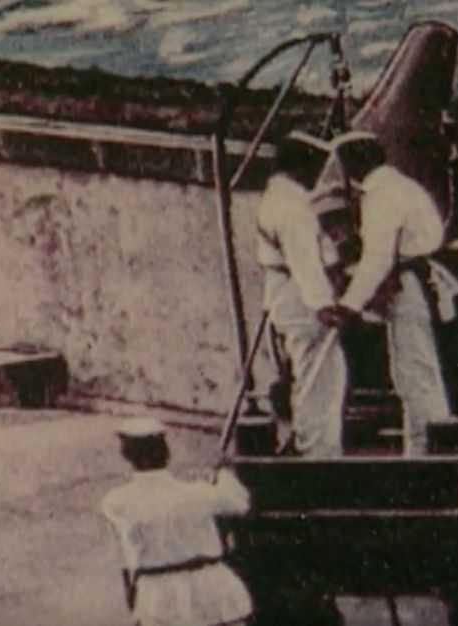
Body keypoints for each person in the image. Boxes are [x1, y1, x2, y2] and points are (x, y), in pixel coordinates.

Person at [319, 131, 452, 456]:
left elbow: (378, 259)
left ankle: (427, 452)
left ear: (356, 163)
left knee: (414, 373)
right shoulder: (402, 187)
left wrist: (349, 305)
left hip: (408, 288)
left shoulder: (383, 196)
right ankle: (422, 448)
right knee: (416, 371)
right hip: (416, 282)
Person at [100, 417, 253, 626]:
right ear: (166, 454)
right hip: (211, 590)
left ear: (126, 455)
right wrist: (224, 471)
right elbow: (240, 503)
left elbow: (125, 558)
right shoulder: (198, 492)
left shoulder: (116, 502)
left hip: (159, 596)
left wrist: (133, 595)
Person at [255, 130, 347, 457]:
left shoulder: (280, 198)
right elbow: (304, 260)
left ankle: (317, 447)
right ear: (302, 166)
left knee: (316, 374)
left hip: (290, 294)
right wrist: (323, 304)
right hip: (301, 298)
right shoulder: (290, 205)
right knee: (319, 378)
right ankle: (317, 453)